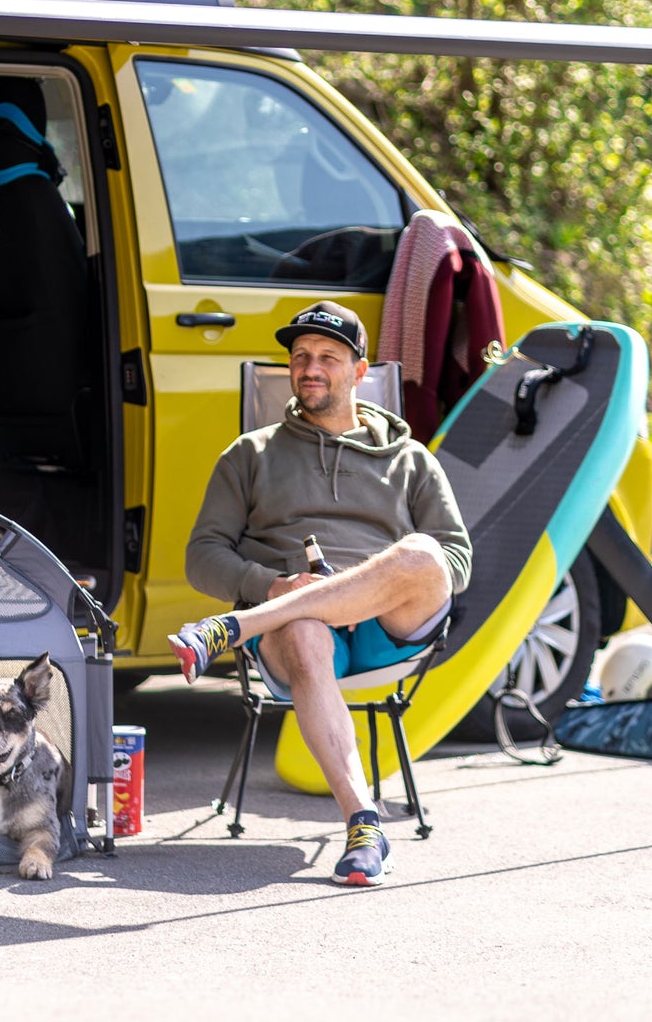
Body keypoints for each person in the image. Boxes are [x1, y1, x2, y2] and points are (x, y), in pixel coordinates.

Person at [168, 301, 470, 886]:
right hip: (298, 642)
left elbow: (455, 561)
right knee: (305, 629)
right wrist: (273, 586)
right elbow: (201, 558)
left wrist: (362, 590)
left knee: (421, 554)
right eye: (300, 356)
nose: (311, 368)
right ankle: (364, 824)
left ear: (360, 372)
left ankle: (230, 629)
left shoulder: (411, 461)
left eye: (328, 358)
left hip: (389, 631)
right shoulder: (250, 454)